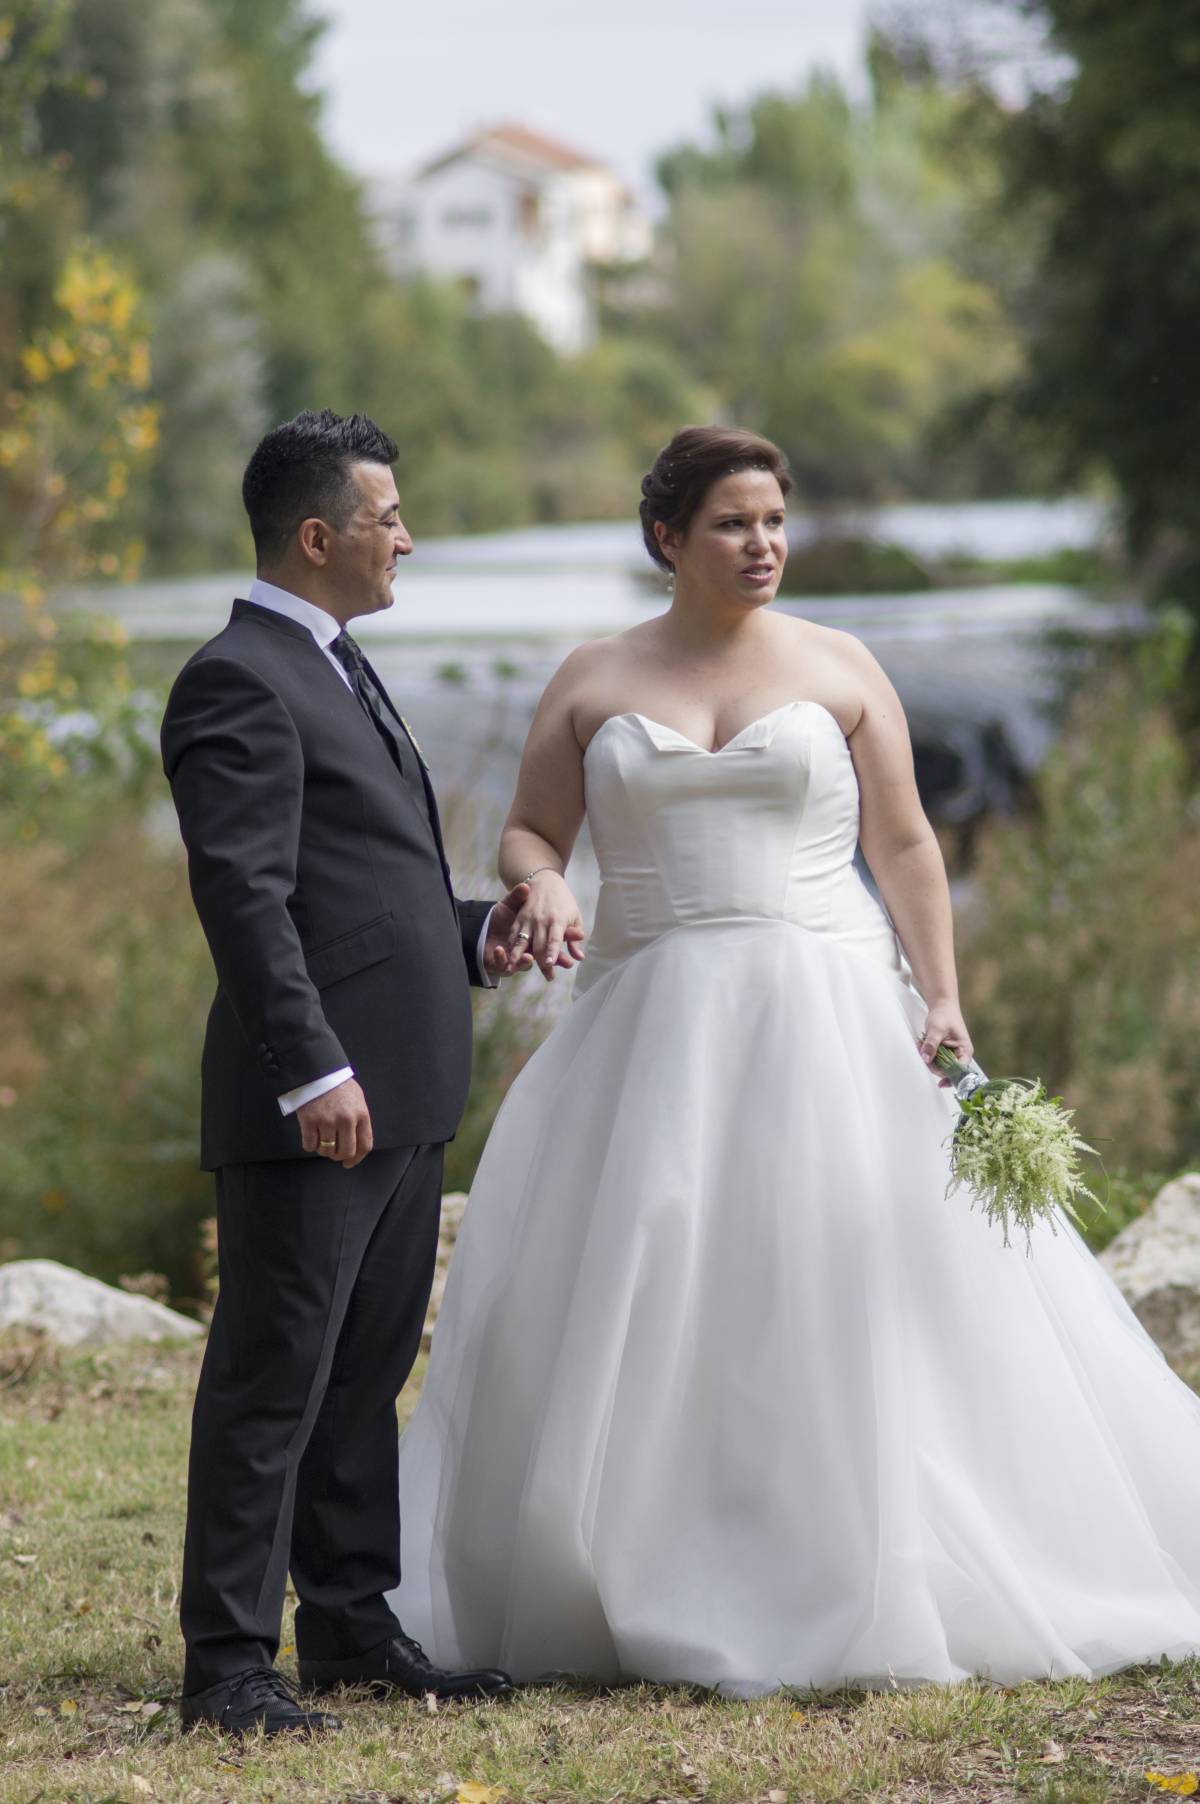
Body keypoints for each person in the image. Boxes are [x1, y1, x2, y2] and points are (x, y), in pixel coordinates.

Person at [390, 425, 1200, 1695]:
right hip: (642, 1031)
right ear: (668, 539)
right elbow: (533, 832)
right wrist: (542, 887)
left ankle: (853, 1563)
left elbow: (912, 848)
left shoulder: (841, 663)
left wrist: (940, 997)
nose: (761, 543)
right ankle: (639, 1562)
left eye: (773, 520)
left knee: (837, 1286)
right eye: (731, 523)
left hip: (829, 1017)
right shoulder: (594, 674)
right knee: (651, 1285)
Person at [161, 410, 576, 1737]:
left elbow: (360, 884)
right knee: (271, 1376)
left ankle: (349, 1628)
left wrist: (474, 929)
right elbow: (247, 897)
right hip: (318, 1104)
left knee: (359, 1377)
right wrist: (309, 1070)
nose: (409, 538)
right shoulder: (238, 677)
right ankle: (229, 1664)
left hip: (399, 1090)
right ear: (319, 534)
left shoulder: (334, 664)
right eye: (390, 518)